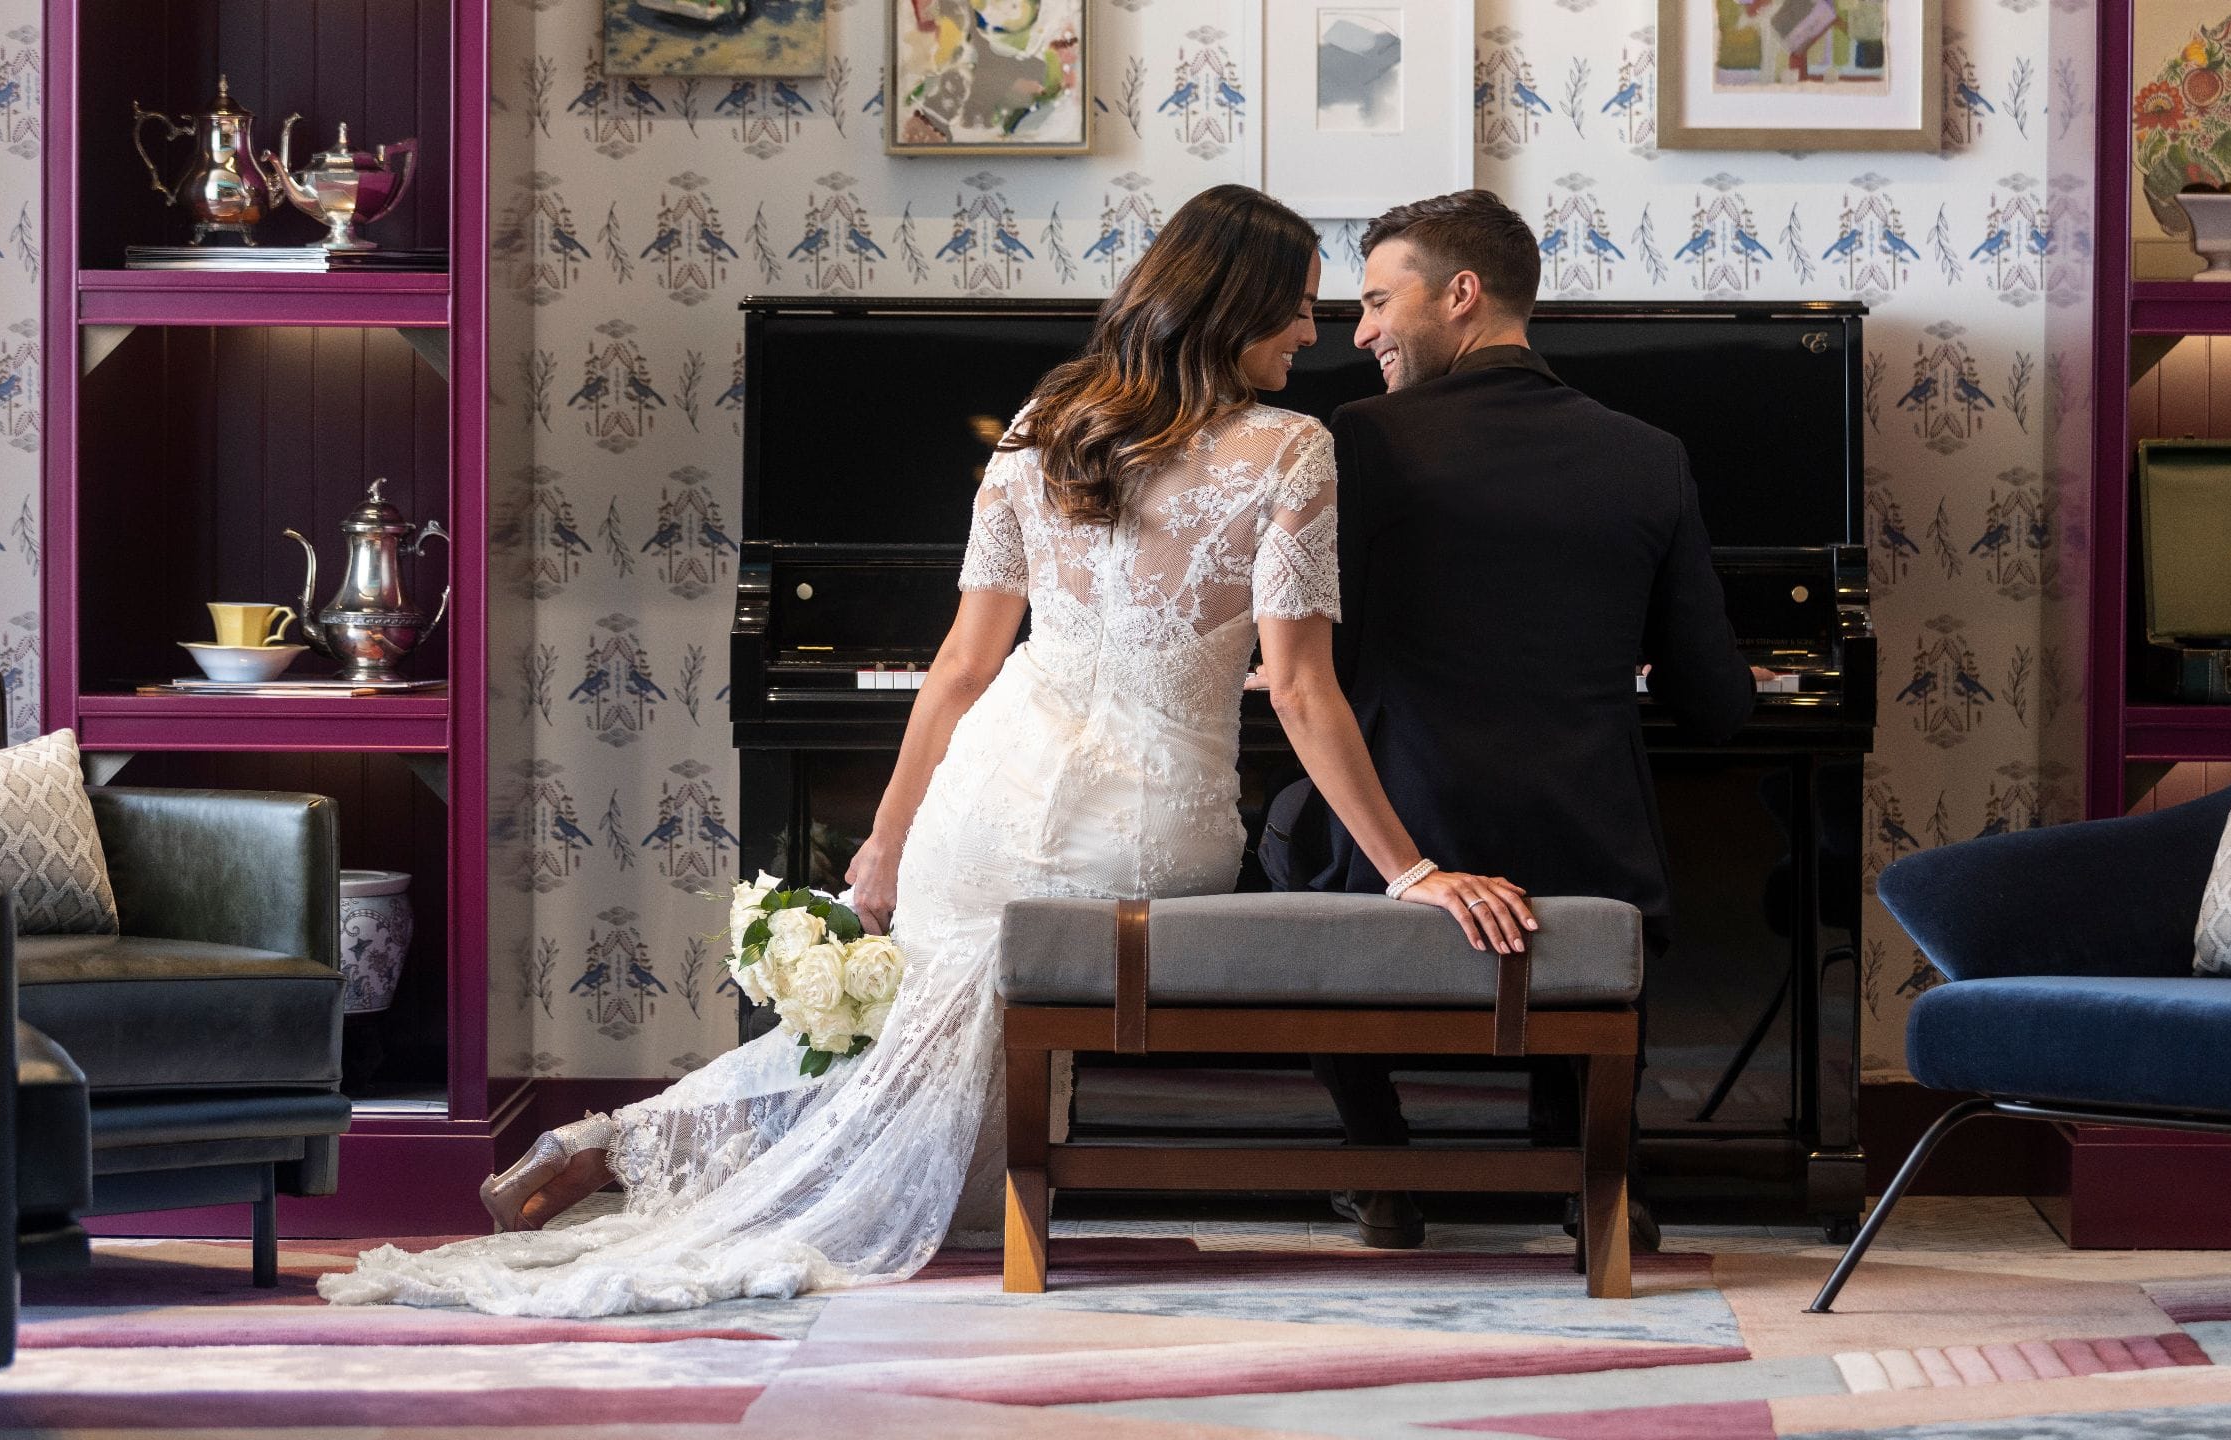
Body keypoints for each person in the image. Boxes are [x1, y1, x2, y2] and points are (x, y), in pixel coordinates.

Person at [318, 184, 1533, 1316]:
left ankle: (635, 1142)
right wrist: (1413, 871)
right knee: (931, 1132)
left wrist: (886, 844)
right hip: (1150, 827)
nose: (1314, 332)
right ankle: (659, 1154)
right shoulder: (1289, 449)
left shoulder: (1048, 425)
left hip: (985, 796)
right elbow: (1307, 692)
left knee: (915, 1047)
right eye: (1299, 301)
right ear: (1238, 307)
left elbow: (960, 664)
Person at [1259, 189, 1756, 1251]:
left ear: (1462, 294)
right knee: (1604, 837)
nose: (1361, 333)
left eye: (1379, 302)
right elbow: (1713, 706)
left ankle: (1384, 1165)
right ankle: (1586, 1175)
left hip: (1408, 842)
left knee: (1288, 826)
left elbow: (1322, 670)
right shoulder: (1648, 454)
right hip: (1585, 846)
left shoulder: (1359, 437)